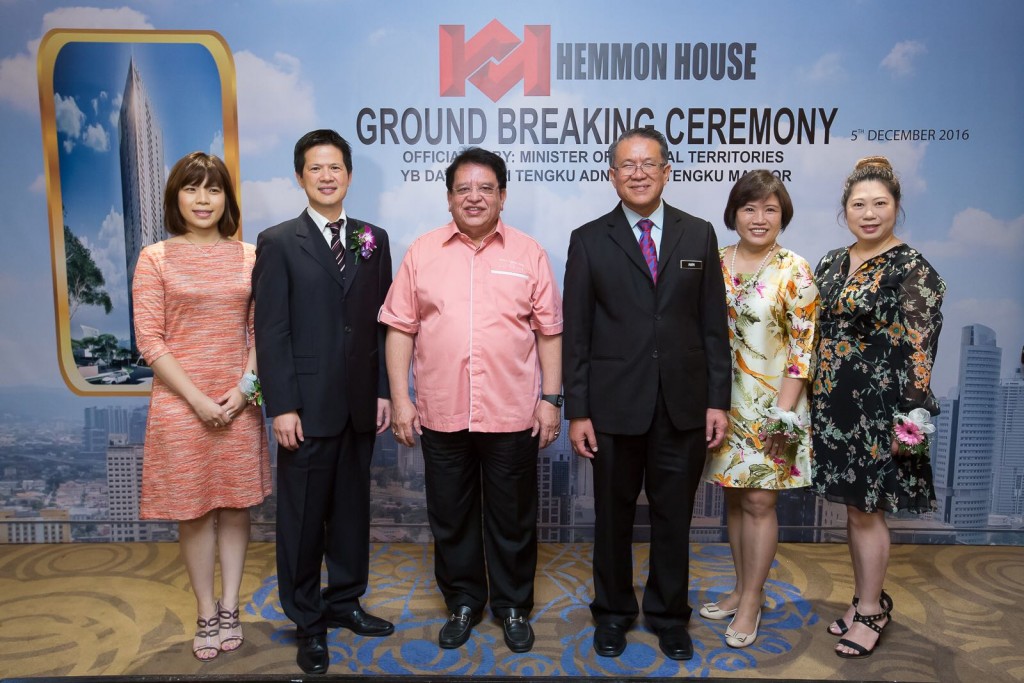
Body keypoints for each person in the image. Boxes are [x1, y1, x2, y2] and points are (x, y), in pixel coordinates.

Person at [380, 147, 563, 654]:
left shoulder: (530, 254)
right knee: (452, 517)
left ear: (502, 195)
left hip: (511, 412)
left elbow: (550, 333)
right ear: (449, 198)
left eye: (485, 189)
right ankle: (463, 601)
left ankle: (511, 607)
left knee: (513, 517)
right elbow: (399, 328)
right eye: (464, 189)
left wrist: (551, 399)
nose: (474, 198)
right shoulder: (423, 252)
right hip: (442, 411)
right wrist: (401, 399)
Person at [562, 127, 731, 661]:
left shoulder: (698, 234)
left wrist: (716, 400)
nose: (637, 173)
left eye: (648, 164)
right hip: (613, 406)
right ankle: (611, 613)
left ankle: (667, 615)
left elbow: (712, 328)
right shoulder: (588, 239)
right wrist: (578, 410)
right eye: (626, 165)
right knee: (611, 517)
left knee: (672, 518)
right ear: (612, 175)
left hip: (682, 404)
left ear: (666, 170)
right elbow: (578, 333)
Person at [252, 129, 394, 675]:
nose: (327, 176)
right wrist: (281, 405)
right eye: (316, 168)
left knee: (352, 511)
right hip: (305, 407)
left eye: (336, 167)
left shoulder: (372, 239)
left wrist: (383, 389)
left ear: (350, 175)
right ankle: (308, 619)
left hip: (360, 403)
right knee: (304, 517)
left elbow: (385, 324)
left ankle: (345, 601)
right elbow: (272, 330)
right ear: (300, 176)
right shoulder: (280, 240)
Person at [133, 151, 271, 661]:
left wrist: (244, 391)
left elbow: (262, 332)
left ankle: (232, 607)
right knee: (192, 513)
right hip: (179, 405)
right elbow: (150, 340)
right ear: (176, 198)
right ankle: (205, 611)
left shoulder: (251, 256)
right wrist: (196, 399)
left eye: (213, 189)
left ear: (227, 199)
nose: (202, 199)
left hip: (239, 400)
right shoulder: (156, 258)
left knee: (235, 508)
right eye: (192, 189)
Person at [812, 156, 944, 658]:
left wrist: (912, 415)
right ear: (845, 209)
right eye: (858, 204)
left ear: (897, 207)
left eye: (880, 204)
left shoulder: (913, 268)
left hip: (879, 411)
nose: (869, 214)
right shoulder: (829, 261)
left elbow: (920, 346)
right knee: (854, 508)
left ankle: (871, 611)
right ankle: (865, 597)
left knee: (868, 512)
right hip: (832, 407)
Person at [699, 171, 819, 648]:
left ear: (783, 216)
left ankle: (752, 599)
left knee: (759, 500)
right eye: (750, 208)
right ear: (734, 214)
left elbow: (803, 348)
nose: (760, 218)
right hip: (721, 404)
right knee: (733, 495)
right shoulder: (714, 261)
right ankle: (740, 586)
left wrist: (784, 415)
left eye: (770, 209)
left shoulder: (794, 268)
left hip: (775, 405)